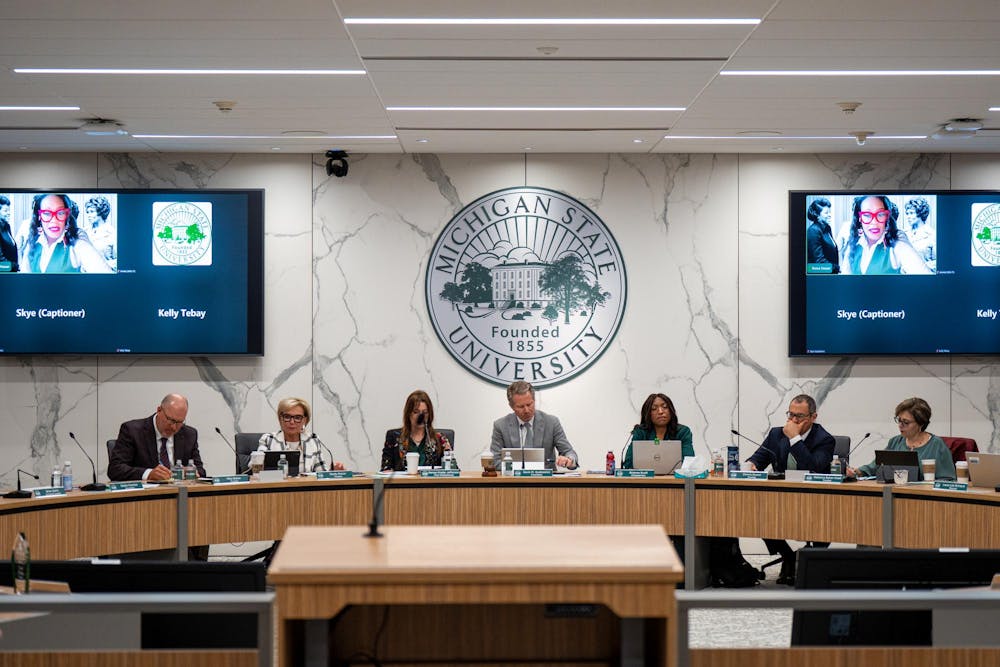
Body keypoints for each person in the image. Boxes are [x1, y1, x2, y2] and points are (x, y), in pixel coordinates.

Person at [746, 394, 836, 585]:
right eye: (790, 414)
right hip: (780, 497)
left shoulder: (825, 439)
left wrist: (795, 439)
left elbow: (813, 467)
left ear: (813, 417)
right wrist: (751, 464)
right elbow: (758, 458)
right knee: (757, 515)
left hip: (815, 500)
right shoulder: (776, 434)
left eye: (799, 417)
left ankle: (811, 560)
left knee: (826, 518)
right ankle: (788, 556)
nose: (793, 421)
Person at [848, 397, 956, 480]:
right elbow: (876, 466)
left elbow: (948, 479)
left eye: (906, 422)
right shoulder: (895, 442)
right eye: (899, 420)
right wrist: (857, 471)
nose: (900, 425)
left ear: (921, 423)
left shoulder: (936, 445)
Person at [108, 393, 205, 481]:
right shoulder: (132, 431)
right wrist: (149, 474)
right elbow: (115, 469)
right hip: (145, 497)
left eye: (179, 422)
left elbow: (201, 470)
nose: (174, 427)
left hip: (180, 495)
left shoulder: (189, 434)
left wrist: (191, 472)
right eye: (171, 420)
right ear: (159, 410)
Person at [490, 381, 578, 469]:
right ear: (511, 406)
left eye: (529, 404)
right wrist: (519, 471)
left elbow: (569, 452)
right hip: (514, 480)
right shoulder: (500, 426)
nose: (526, 410)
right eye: (521, 406)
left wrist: (569, 460)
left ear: (534, 400)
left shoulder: (551, 422)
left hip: (545, 481)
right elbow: (495, 461)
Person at [19, 193, 111, 273]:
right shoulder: (32, 244)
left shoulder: (77, 244)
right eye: (47, 213)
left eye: (60, 213)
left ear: (67, 216)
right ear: (39, 216)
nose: (54, 220)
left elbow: (109, 281)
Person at [840, 195, 931, 275]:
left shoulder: (897, 244)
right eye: (867, 215)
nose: (874, 222)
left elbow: (929, 282)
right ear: (860, 218)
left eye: (880, 214)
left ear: (887, 217)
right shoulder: (853, 245)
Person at [257, 397, 344, 473]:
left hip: (305, 490)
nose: (292, 422)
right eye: (287, 417)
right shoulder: (269, 439)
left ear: (304, 420)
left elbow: (320, 473)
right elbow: (255, 467)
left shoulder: (312, 440)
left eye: (297, 418)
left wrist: (334, 472)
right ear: (281, 418)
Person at [381, 390, 452, 471]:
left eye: (425, 413)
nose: (421, 417)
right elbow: (385, 469)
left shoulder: (440, 439)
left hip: (430, 483)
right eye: (416, 412)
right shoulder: (394, 437)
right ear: (408, 414)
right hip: (403, 483)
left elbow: (453, 470)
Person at [622, 393, 694, 468]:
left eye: (665, 407)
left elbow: (689, 463)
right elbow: (628, 464)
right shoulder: (640, 432)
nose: (660, 411)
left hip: (674, 478)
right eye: (654, 409)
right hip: (646, 479)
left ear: (671, 411)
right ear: (648, 413)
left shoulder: (682, 432)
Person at [805, 197, 839, 273]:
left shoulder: (827, 228)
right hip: (820, 277)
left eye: (829, 212)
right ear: (817, 215)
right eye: (826, 213)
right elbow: (819, 261)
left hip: (830, 275)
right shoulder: (813, 231)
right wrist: (837, 269)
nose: (830, 215)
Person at [84, 194, 117, 270]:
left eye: (92, 211)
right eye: (87, 212)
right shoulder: (85, 231)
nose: (88, 215)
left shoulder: (112, 233)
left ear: (101, 212)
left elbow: (118, 261)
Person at [904, 196, 935, 269]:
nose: (908, 216)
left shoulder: (932, 234)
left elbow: (937, 262)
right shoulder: (904, 233)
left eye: (911, 213)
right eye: (907, 213)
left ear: (920, 214)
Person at [0, 195, 18, 272]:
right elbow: (1, 262)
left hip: (11, 273)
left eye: (9, 210)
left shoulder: (7, 226)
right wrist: (14, 266)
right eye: (5, 211)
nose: (9, 213)